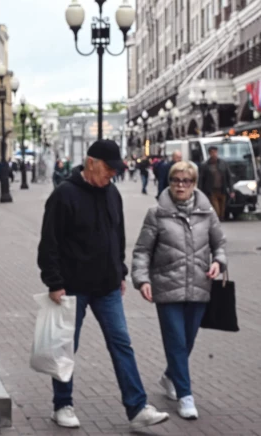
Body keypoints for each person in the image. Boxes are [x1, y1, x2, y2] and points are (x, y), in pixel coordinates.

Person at [37, 139, 169, 431]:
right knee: (65, 347)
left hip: (107, 286)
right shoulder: (64, 195)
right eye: (109, 168)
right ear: (91, 162)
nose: (112, 174)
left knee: (122, 344)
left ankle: (137, 408)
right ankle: (63, 405)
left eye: (115, 170)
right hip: (72, 288)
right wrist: (54, 282)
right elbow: (50, 244)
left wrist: (119, 272)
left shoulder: (112, 193)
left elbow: (117, 236)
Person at [131, 161, 227, 420]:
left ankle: (170, 377)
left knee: (188, 341)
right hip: (166, 287)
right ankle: (186, 396)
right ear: (169, 182)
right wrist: (142, 279)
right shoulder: (156, 213)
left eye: (186, 181)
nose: (180, 185)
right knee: (176, 340)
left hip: (199, 286)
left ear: (194, 183)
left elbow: (219, 244)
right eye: (176, 181)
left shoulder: (207, 212)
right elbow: (142, 250)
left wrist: (218, 262)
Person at [198, 146, 234, 221]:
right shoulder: (205, 165)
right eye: (212, 152)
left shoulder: (223, 164)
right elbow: (201, 179)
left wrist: (231, 190)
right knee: (216, 209)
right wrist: (200, 192)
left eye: (215, 152)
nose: (214, 154)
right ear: (209, 154)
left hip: (222, 190)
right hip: (212, 191)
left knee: (222, 210)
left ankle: (220, 219)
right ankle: (216, 221)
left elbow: (229, 177)